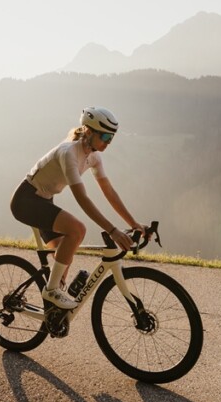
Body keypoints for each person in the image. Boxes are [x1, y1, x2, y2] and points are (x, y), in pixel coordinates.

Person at [10, 106, 145, 309]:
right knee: (77, 230)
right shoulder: (68, 153)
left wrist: (133, 223)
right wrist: (113, 231)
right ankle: (51, 291)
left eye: (112, 139)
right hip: (26, 200)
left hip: (45, 201)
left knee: (65, 255)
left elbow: (109, 192)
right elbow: (82, 198)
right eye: (106, 137)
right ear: (89, 132)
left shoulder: (94, 157)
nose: (108, 143)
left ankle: (53, 313)